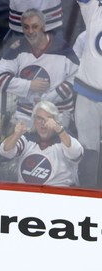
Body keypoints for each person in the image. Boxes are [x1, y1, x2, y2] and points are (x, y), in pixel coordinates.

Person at [0, 8, 79, 130]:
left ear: (43, 27)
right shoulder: (17, 49)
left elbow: (76, 78)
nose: (30, 31)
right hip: (26, 112)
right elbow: (0, 78)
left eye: (35, 26)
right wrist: (29, 85)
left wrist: (49, 98)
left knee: (56, 147)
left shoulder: (63, 49)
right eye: (26, 27)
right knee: (18, 145)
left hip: (57, 112)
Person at [0, 100, 83, 186]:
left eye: (48, 119)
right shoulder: (27, 138)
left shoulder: (65, 139)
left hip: (58, 194)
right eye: (39, 118)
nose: (43, 123)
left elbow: (76, 153)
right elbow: (5, 151)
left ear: (56, 121)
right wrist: (16, 135)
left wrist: (58, 129)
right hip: (26, 194)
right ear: (34, 120)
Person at [73, 0, 102, 188]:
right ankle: (87, 195)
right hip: (88, 92)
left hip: (88, 92)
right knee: (88, 151)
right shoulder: (95, 7)